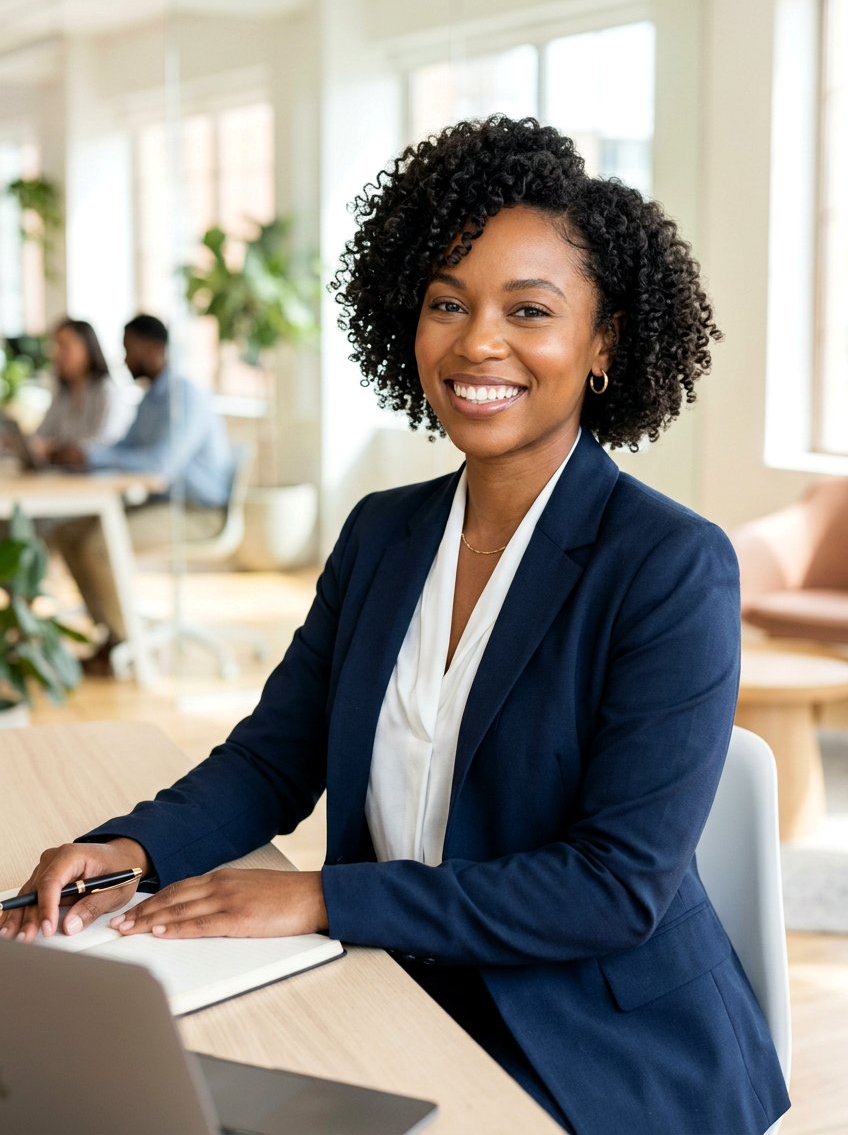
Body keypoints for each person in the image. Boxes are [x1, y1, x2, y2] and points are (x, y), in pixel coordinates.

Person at [2, 118, 789, 1134]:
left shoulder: (667, 565)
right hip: (399, 981)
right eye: (446, 303)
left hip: (595, 1042)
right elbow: (273, 759)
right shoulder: (383, 532)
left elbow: (609, 888)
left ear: (602, 341)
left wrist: (328, 896)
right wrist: (127, 847)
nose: (477, 343)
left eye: (528, 310)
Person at [50, 313, 234, 672]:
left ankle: (128, 646)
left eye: (128, 350)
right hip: (162, 504)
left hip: (198, 512)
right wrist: (86, 455)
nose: (122, 359)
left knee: (99, 544)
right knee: (69, 533)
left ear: (153, 350)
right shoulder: (151, 398)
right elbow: (125, 448)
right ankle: (112, 633)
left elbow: (158, 465)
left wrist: (91, 455)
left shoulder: (185, 397)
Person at [31, 318, 131, 457]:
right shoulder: (63, 392)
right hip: (65, 474)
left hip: (99, 476)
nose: (57, 354)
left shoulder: (106, 390)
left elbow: (105, 445)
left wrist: (54, 448)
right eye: (55, 347)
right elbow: (41, 435)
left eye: (64, 346)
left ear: (88, 349)